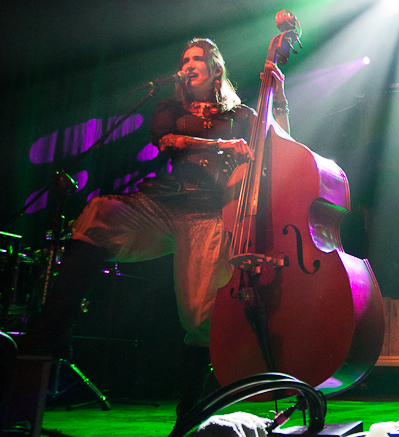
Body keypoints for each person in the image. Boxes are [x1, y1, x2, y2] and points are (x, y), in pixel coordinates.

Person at [19, 38, 289, 416]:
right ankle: (52, 328)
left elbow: (279, 145)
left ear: (215, 69)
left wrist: (279, 99)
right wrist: (224, 146)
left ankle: (189, 408)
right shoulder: (169, 107)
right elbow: (168, 142)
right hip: (161, 204)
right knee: (100, 213)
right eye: (185, 59)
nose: (189, 64)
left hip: (210, 214)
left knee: (197, 317)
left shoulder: (242, 114)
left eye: (198, 59)